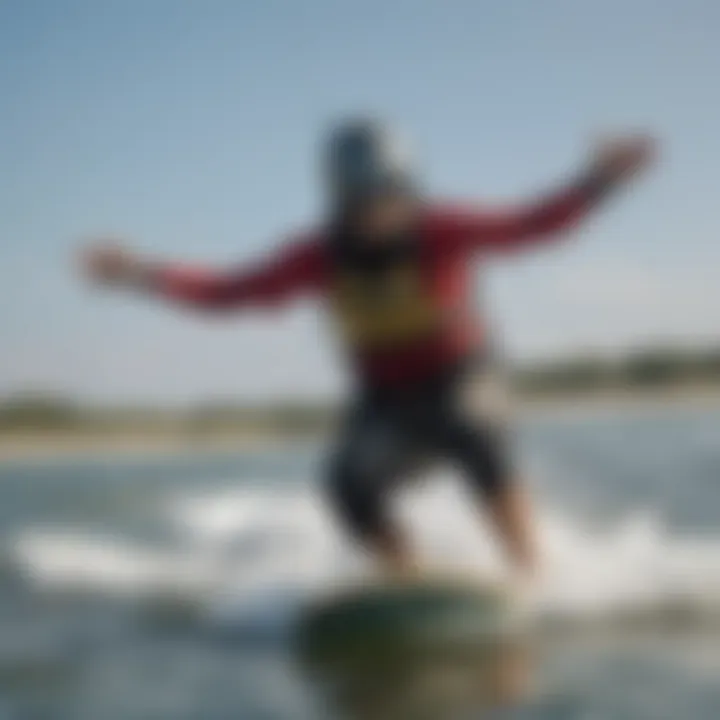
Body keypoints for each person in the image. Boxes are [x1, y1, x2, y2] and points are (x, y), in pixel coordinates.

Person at [79, 119, 655, 580]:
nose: (379, 213)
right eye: (363, 202)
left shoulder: (442, 228)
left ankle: (530, 573)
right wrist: (142, 275)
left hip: (464, 377)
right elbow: (229, 293)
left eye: (391, 197)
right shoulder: (316, 255)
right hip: (385, 400)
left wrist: (598, 182)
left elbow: (530, 225)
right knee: (345, 485)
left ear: (410, 191)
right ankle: (409, 580)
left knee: (473, 430)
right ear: (340, 201)